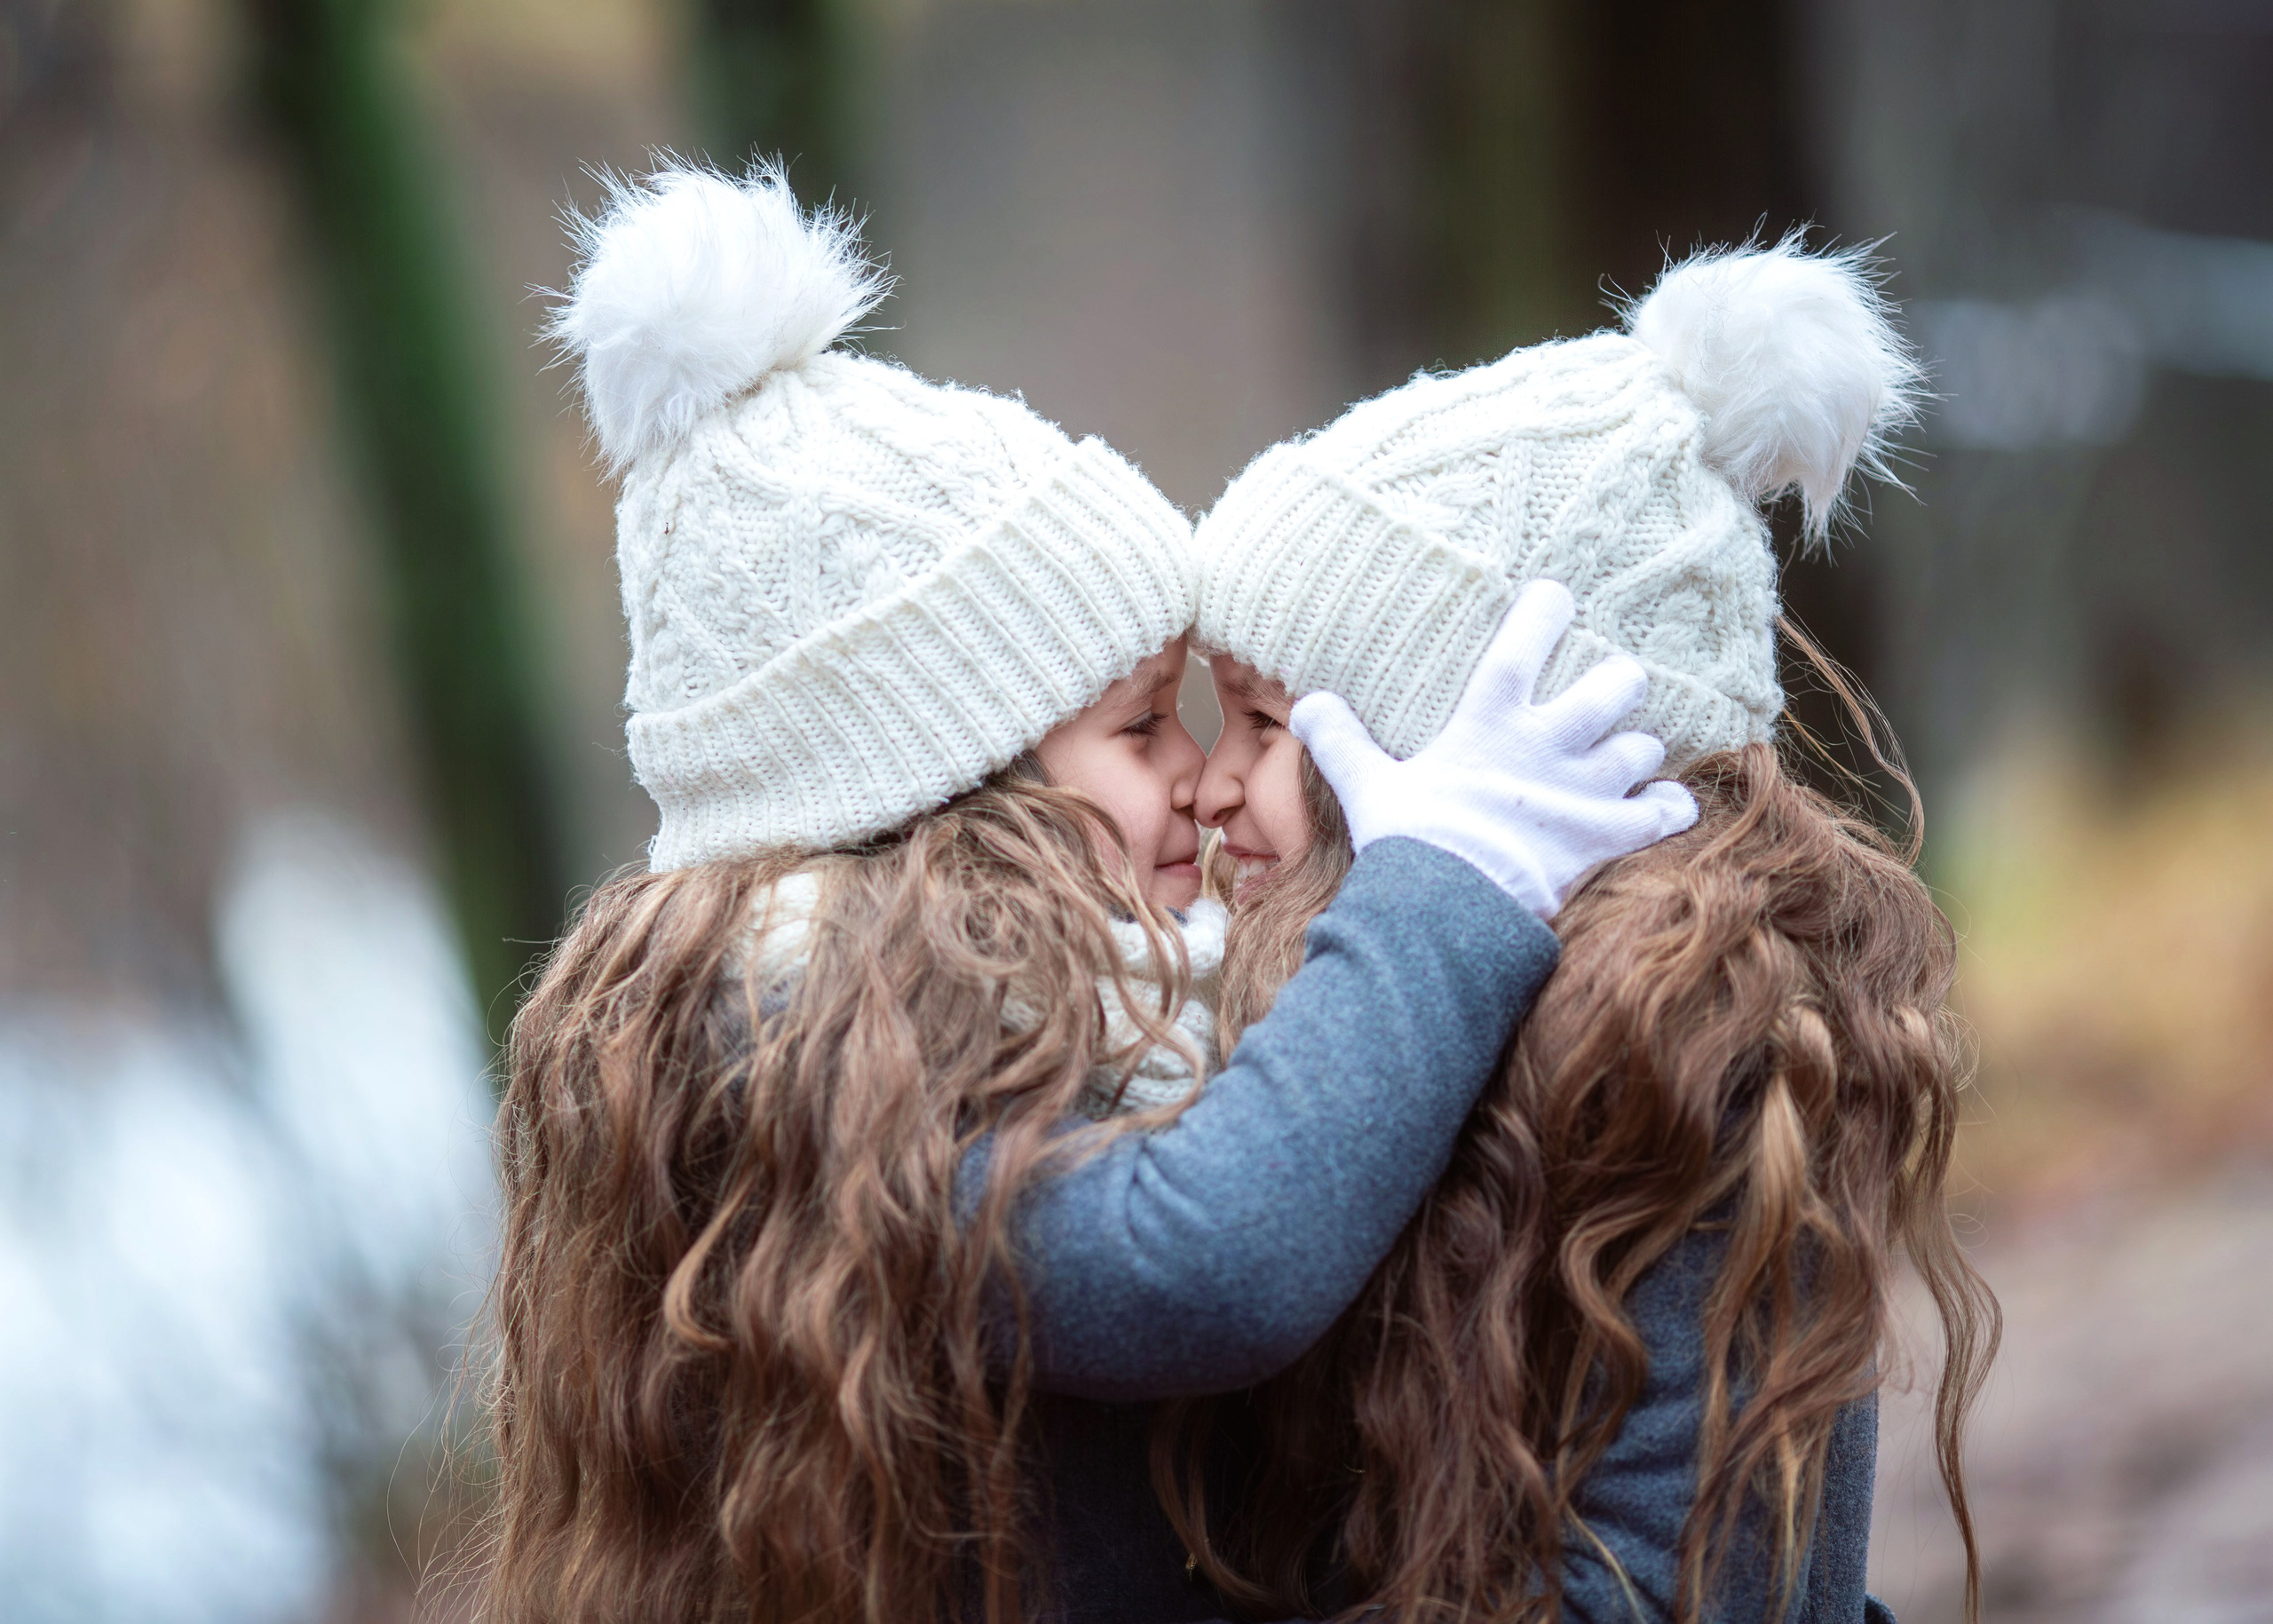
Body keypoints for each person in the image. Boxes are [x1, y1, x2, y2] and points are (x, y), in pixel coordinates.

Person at [472, 162, 1696, 1624]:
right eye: (1138, 727)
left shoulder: (1023, 1027)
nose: (1195, 768)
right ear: (945, 790)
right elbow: (1211, 1263)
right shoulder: (822, 1066)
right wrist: (1449, 883)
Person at [1176, 238, 2000, 1622]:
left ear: (1465, 754)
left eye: (1263, 723)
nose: (1204, 786)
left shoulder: (1688, 1075)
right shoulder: (1417, 1038)